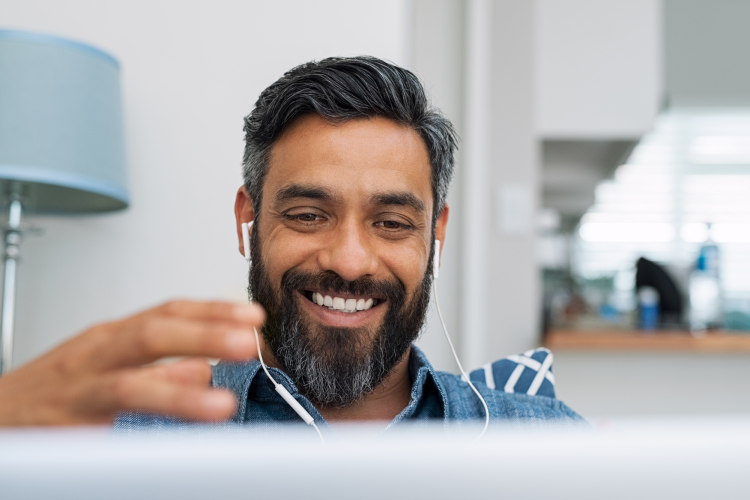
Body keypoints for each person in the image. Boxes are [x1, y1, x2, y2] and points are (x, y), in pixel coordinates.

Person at [0, 56, 582, 429]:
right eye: (307, 215)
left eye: (393, 223)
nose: (350, 262)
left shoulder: (545, 444)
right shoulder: (113, 437)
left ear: (437, 234)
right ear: (247, 218)